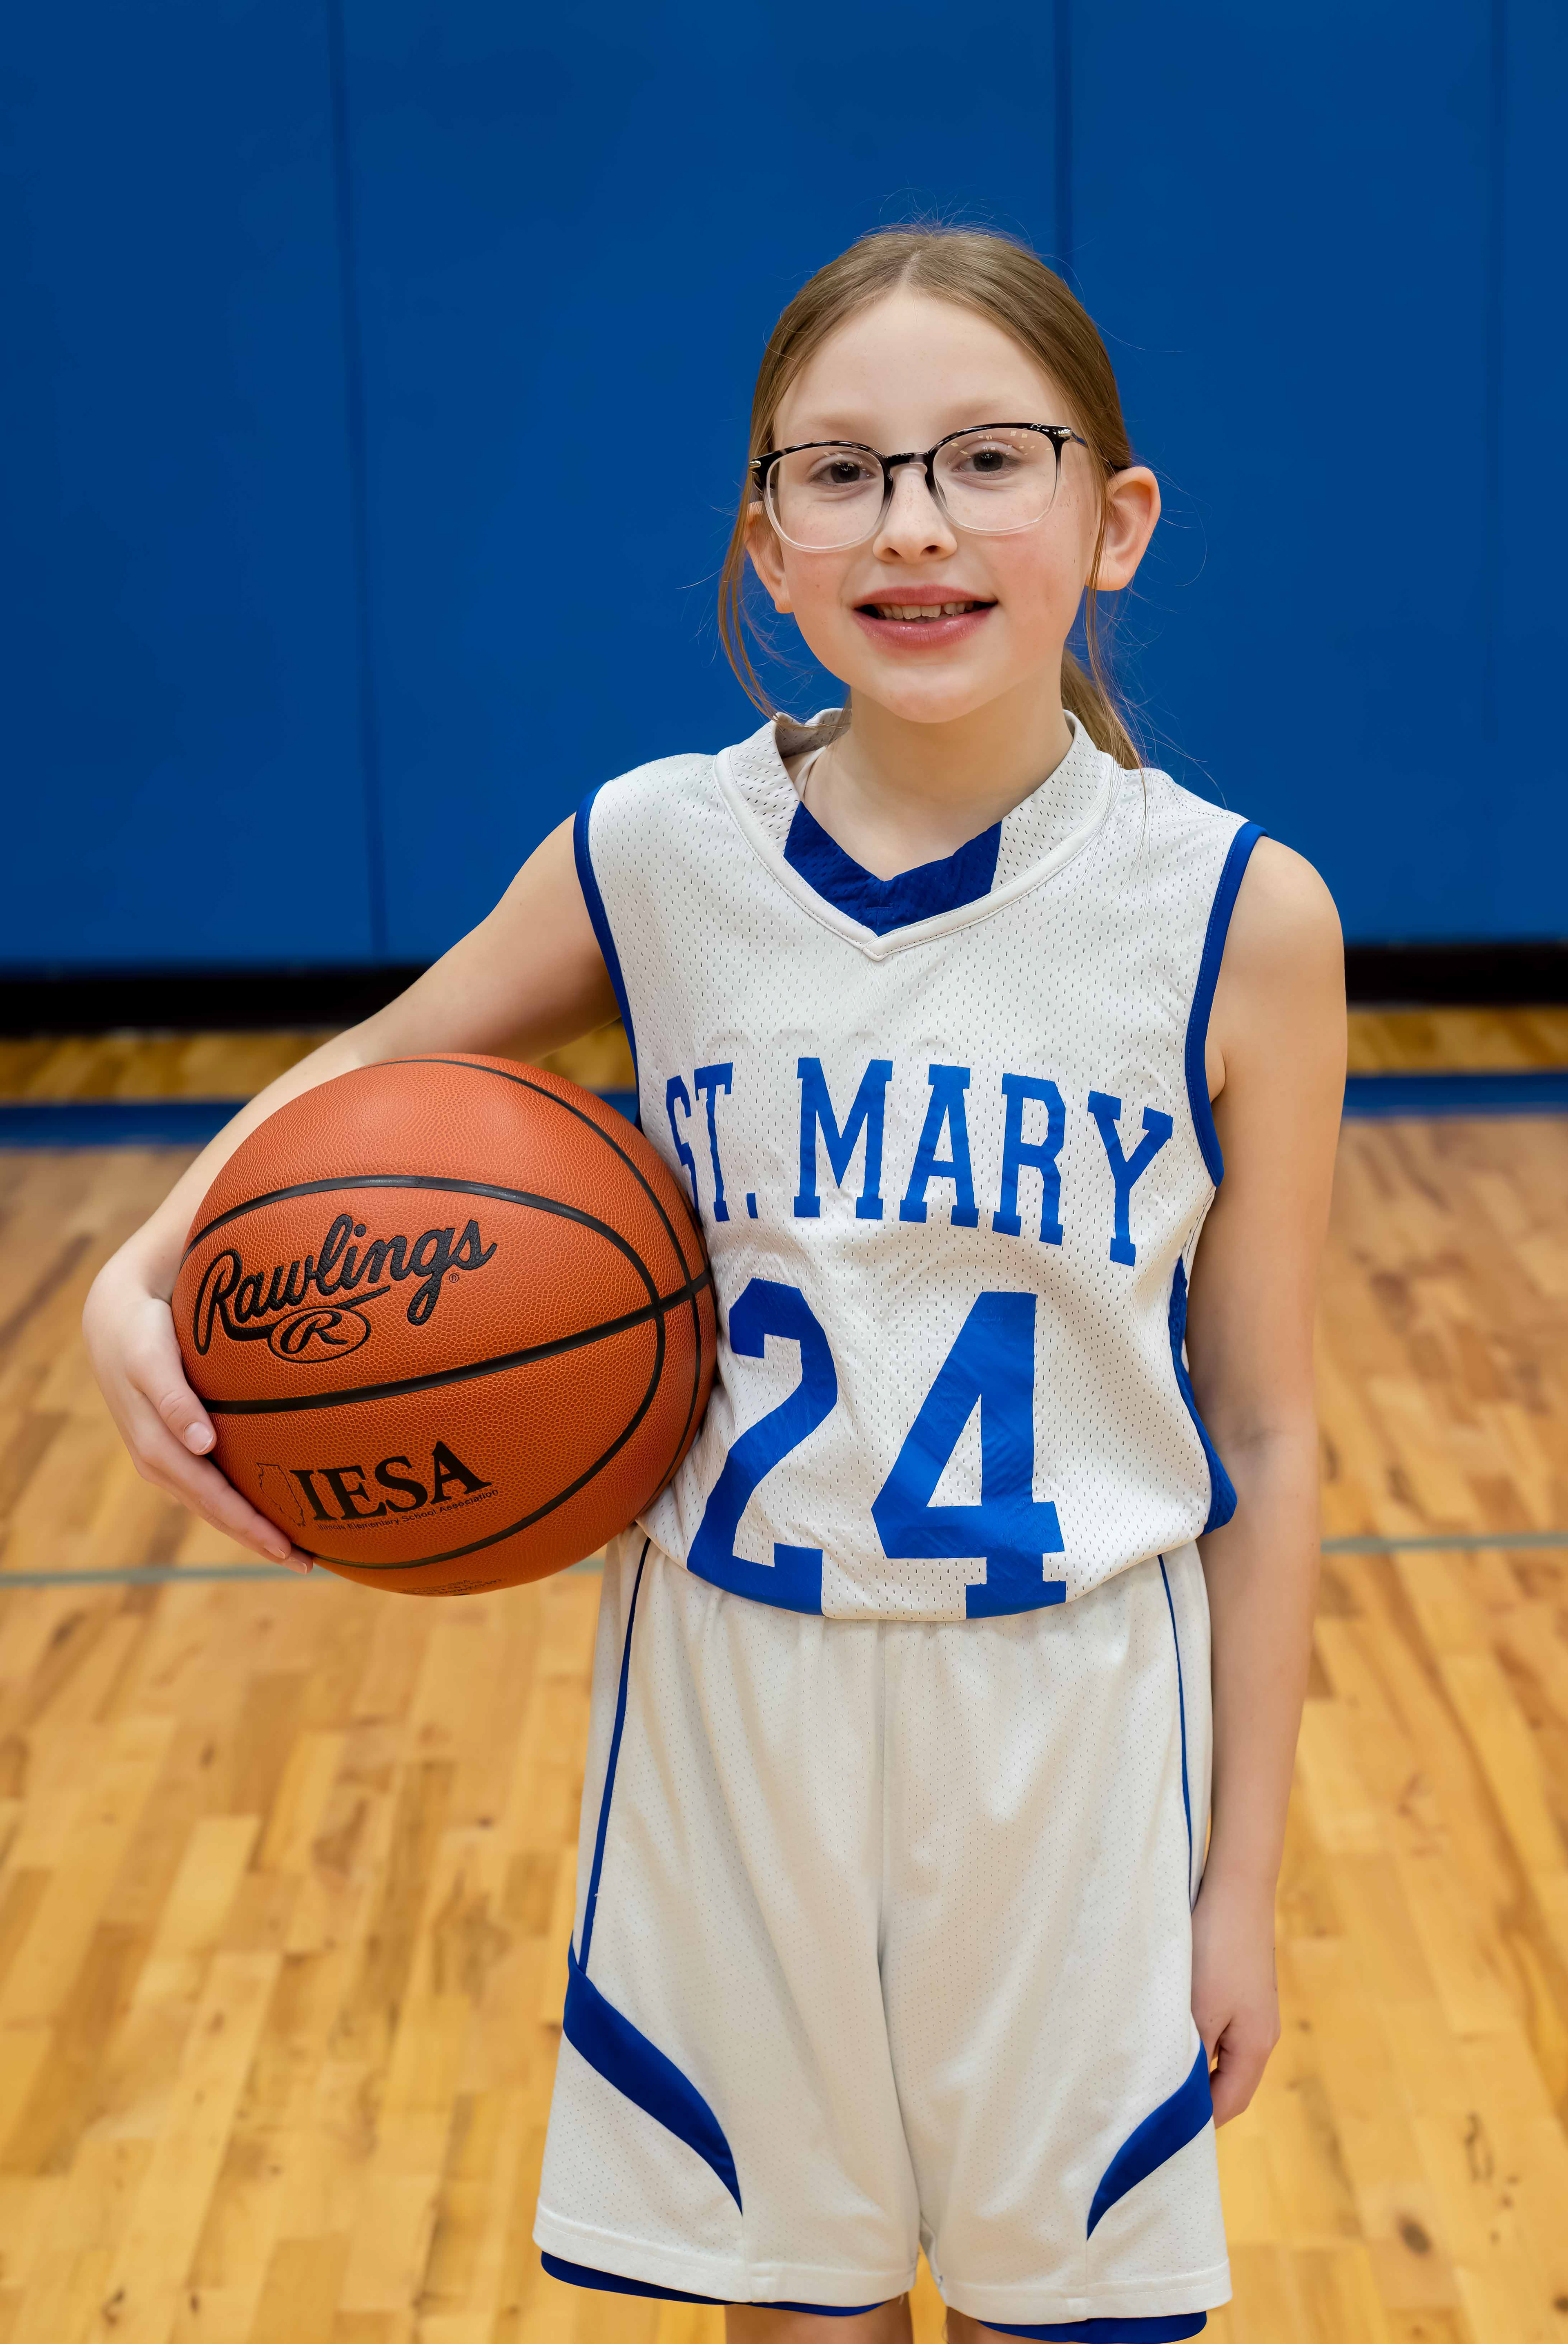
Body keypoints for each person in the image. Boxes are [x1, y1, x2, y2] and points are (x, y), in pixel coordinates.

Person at [85, 224, 1345, 2341]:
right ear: (768, 542)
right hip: (731, 1709)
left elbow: (1272, 1433)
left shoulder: (1237, 914)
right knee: (797, 2313)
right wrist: (145, 1264)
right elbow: (379, 1061)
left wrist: (1243, 1887)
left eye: (987, 459)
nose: (913, 524)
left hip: (1072, 1736)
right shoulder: (657, 855)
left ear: (1113, 522)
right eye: (839, 472)